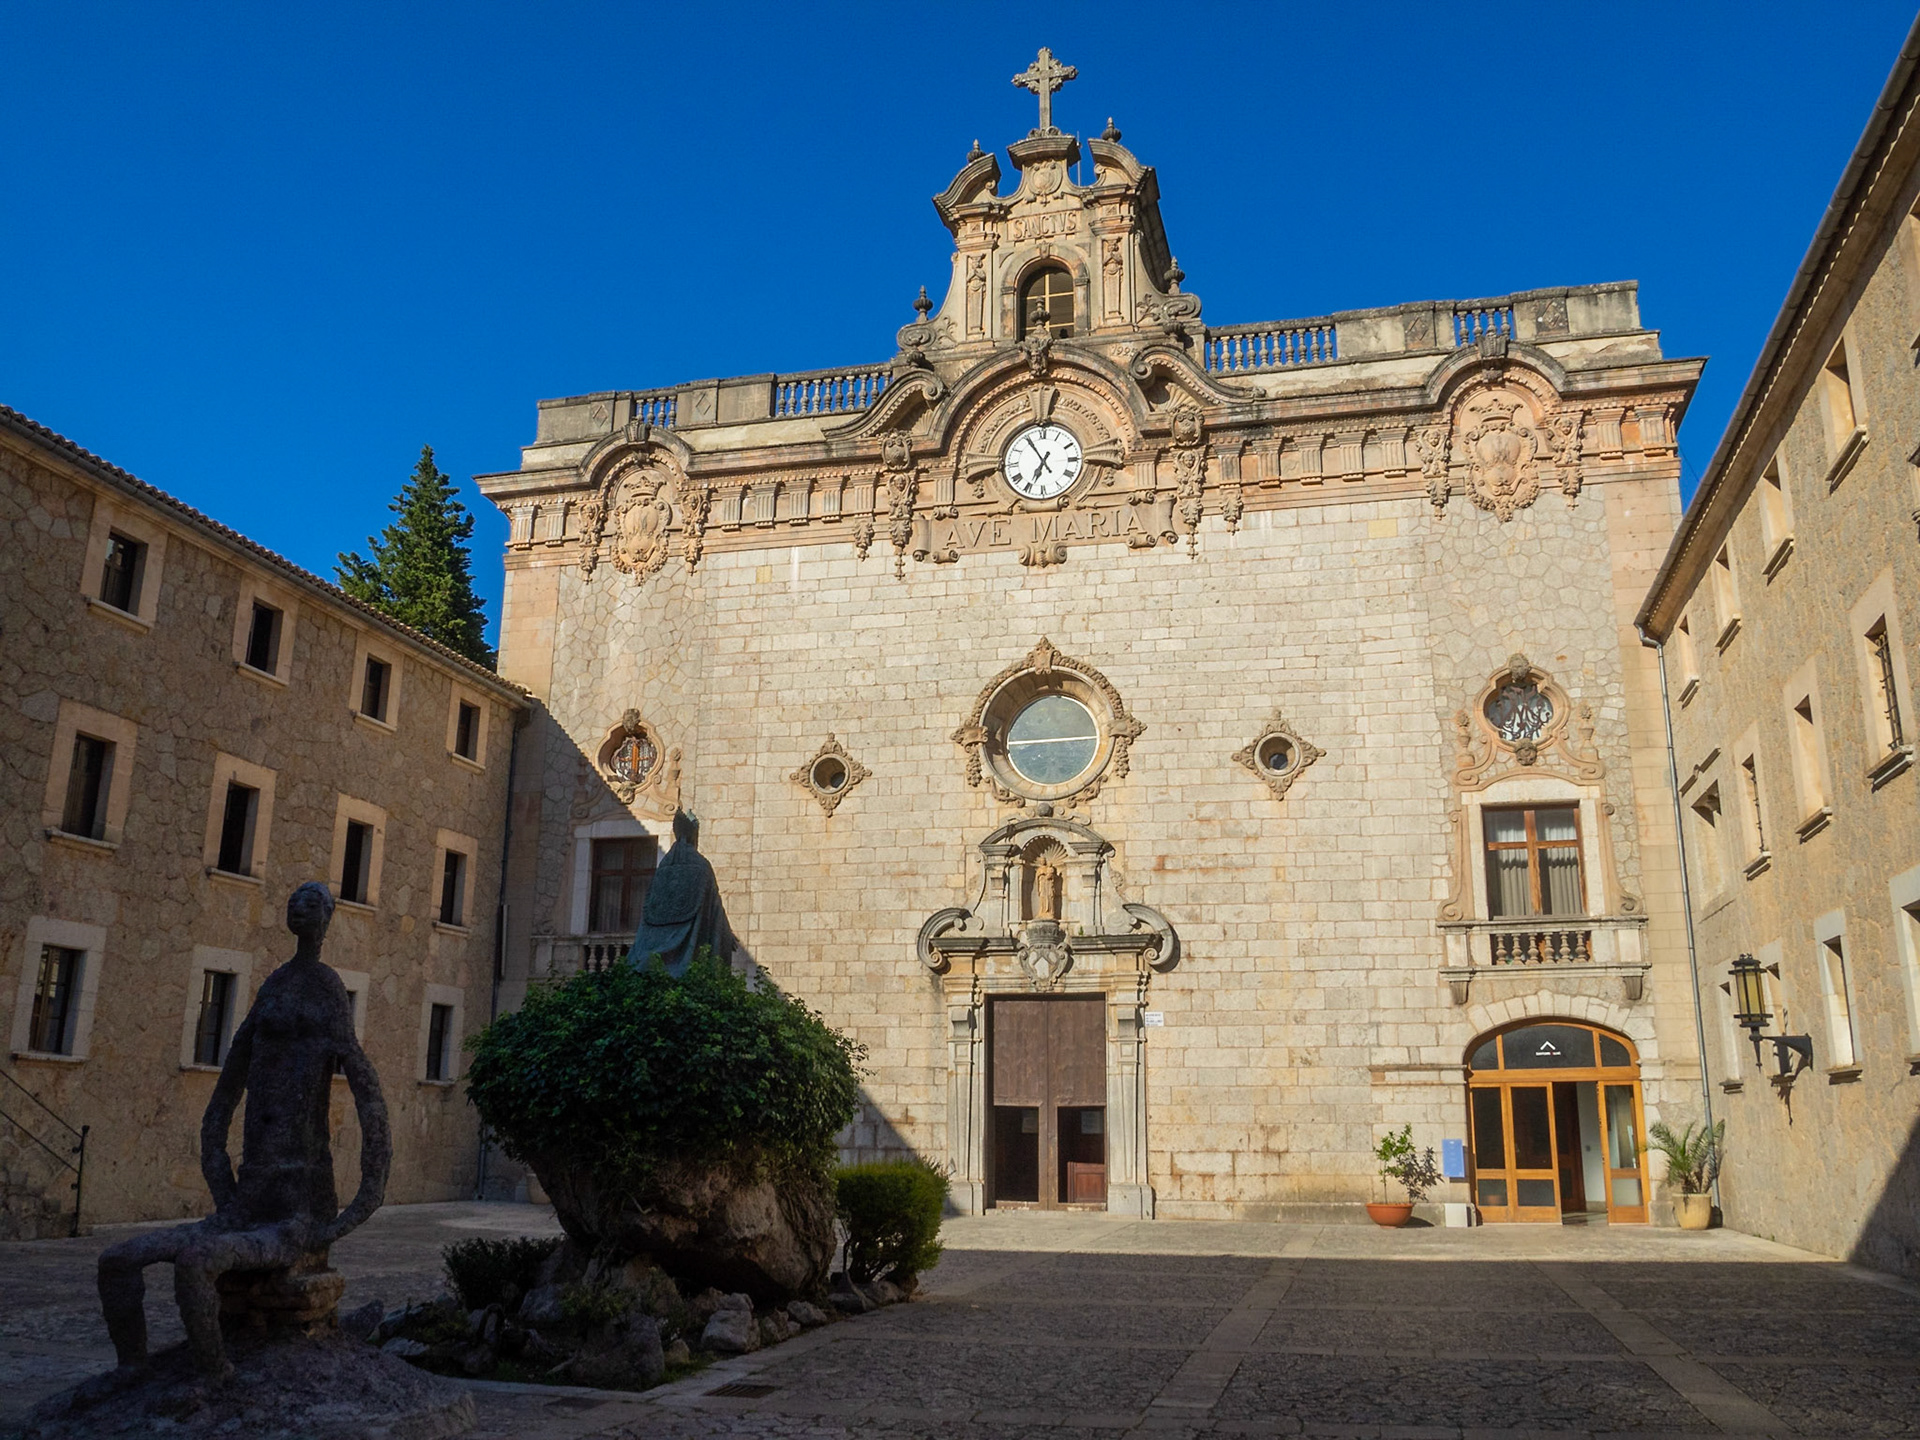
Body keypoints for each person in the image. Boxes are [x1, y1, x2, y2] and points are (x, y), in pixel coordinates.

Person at [95, 882, 389, 1379]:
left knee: (195, 1264)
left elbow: (367, 1093)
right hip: (249, 1200)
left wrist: (354, 1209)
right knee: (117, 1260)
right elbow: (224, 1096)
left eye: (312, 902)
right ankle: (131, 1373)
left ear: (327, 919)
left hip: (297, 1209)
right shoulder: (273, 987)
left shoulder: (326, 990)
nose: (299, 906)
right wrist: (223, 1186)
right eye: (294, 899)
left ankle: (216, 1379)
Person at [626, 809, 738, 976]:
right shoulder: (701, 866)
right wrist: (727, 935)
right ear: (694, 837)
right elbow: (714, 906)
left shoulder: (664, 867)